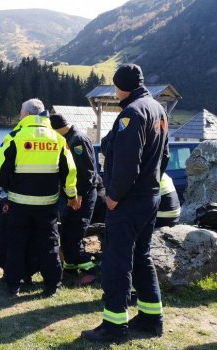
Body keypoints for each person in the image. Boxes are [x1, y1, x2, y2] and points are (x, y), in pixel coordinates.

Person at [81, 64, 169, 343]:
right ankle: (151, 318)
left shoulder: (131, 114)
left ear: (120, 87)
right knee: (141, 256)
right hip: (149, 196)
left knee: (118, 260)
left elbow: (127, 163)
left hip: (128, 200)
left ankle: (114, 325)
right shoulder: (157, 109)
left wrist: (114, 195)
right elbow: (163, 155)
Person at [0, 98, 79, 297]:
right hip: (48, 204)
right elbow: (69, 171)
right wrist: (72, 195)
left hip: (19, 203)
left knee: (16, 243)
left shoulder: (15, 137)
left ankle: (13, 284)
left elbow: (0, 169)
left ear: (25, 114)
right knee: (49, 244)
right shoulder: (58, 139)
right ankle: (52, 286)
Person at [49, 114, 99, 286]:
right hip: (71, 195)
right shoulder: (68, 137)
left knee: (73, 235)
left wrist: (78, 196)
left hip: (82, 196)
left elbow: (87, 172)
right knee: (66, 232)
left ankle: (90, 271)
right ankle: (70, 267)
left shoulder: (77, 140)